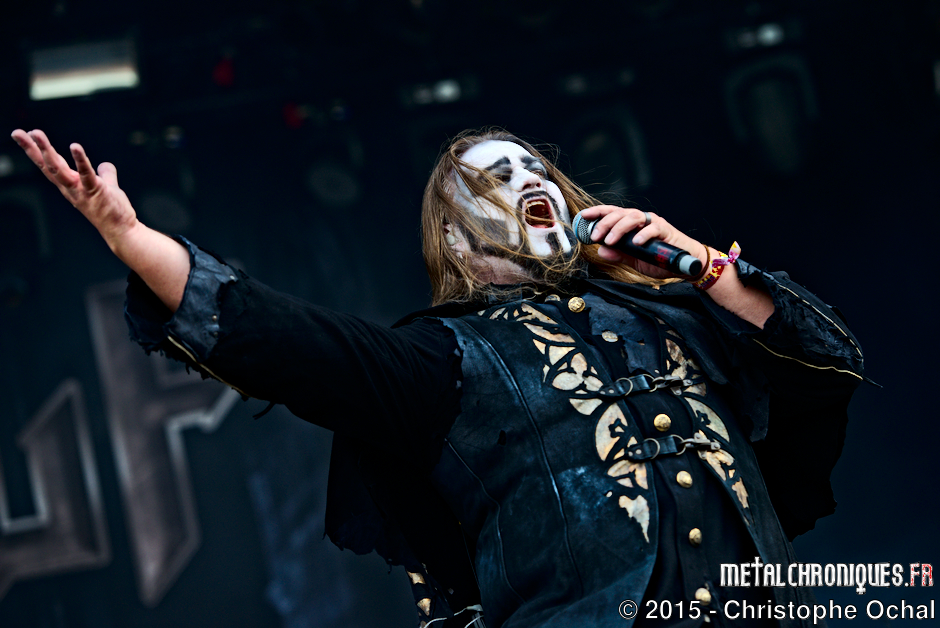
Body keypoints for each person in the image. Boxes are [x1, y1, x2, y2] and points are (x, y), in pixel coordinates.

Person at [10, 127, 863, 628]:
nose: (529, 181)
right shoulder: (445, 359)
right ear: (455, 238)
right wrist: (134, 241)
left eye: (537, 170)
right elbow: (288, 341)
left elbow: (829, 362)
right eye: (499, 176)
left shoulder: (674, 313)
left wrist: (703, 265)